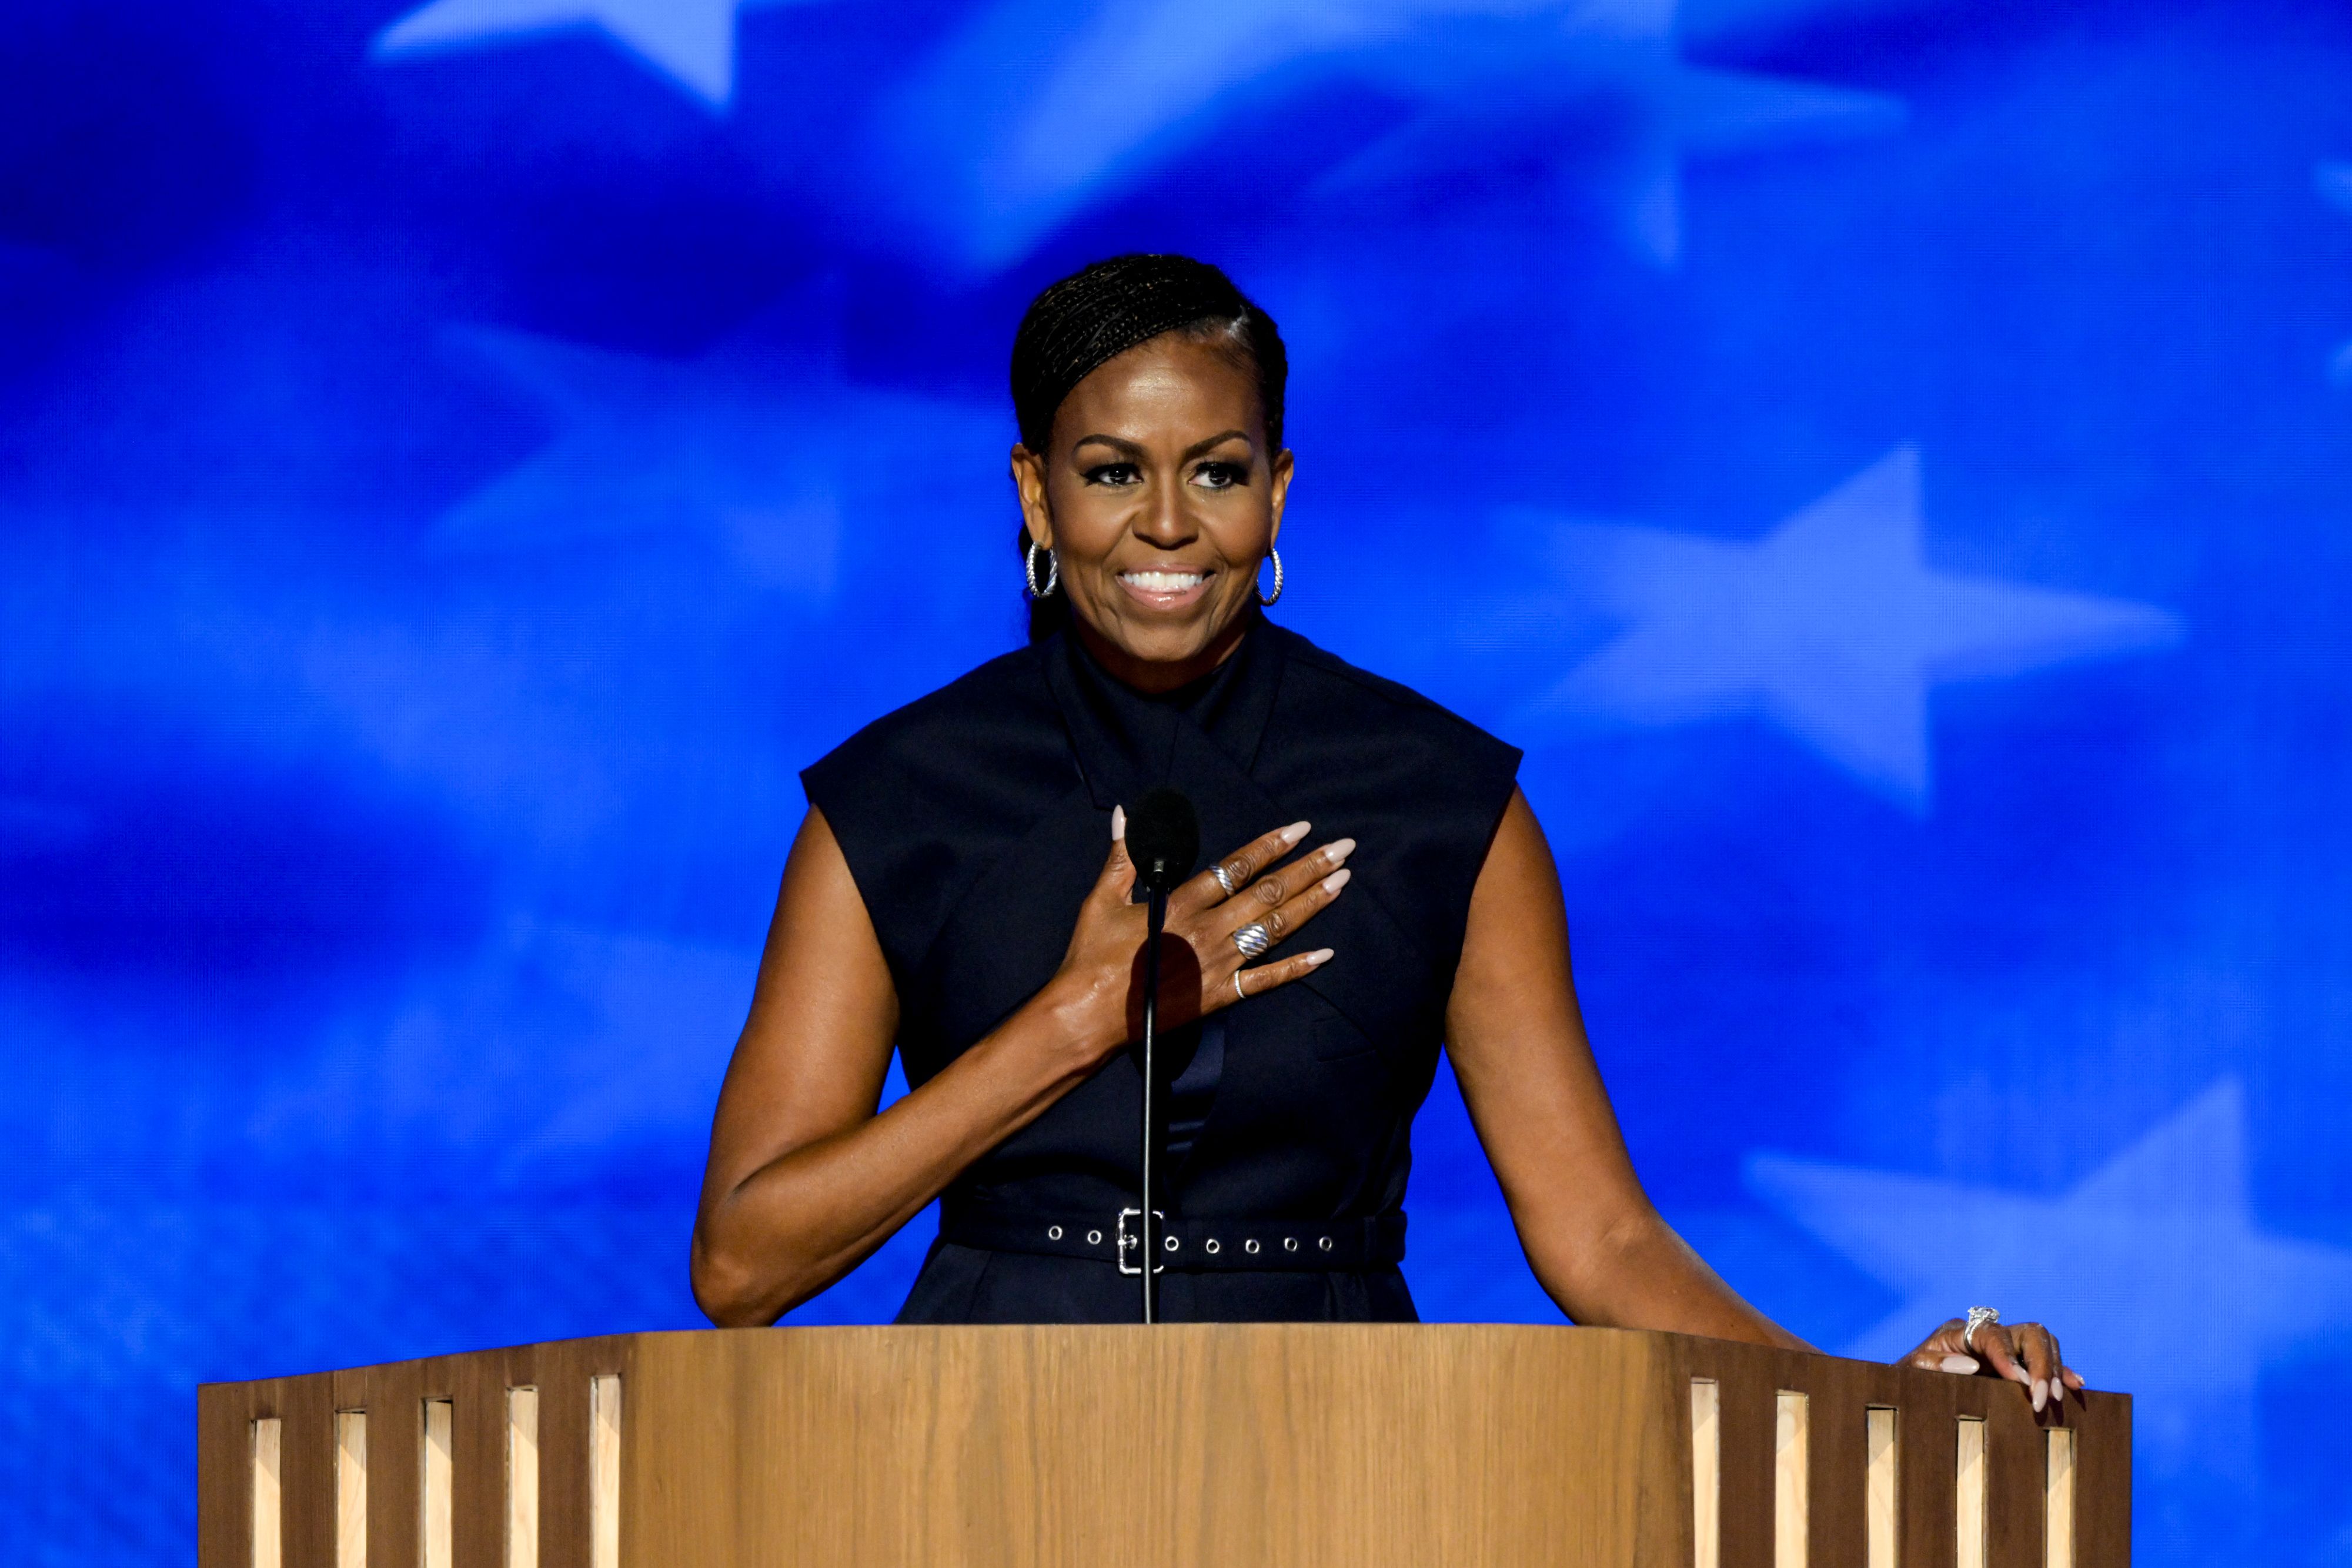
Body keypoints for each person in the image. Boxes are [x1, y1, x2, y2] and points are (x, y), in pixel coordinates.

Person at [689, 253, 2080, 1413]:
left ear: (1278, 492)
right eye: (1111, 473)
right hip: (971, 1450)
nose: (1166, 524)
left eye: (1215, 472)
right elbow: (741, 1265)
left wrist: (1872, 1403)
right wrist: (1076, 1021)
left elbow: (1601, 1238)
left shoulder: (1435, 797)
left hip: (1353, 1451)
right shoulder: (896, 797)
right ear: (1035, 494)